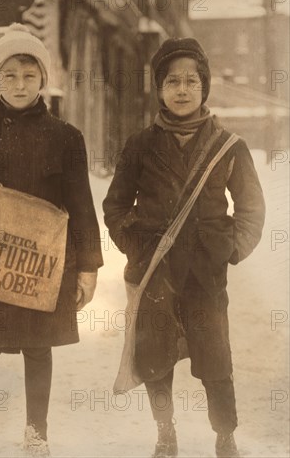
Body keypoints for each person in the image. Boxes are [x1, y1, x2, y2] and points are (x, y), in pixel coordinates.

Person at [0, 23, 103, 457]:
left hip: (42, 265)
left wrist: (87, 267)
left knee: (38, 349)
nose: (19, 84)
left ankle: (36, 433)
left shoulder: (66, 138)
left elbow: (81, 205)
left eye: (29, 75)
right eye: (9, 75)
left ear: (43, 80)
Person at [103, 38, 265, 458]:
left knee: (216, 360)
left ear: (204, 87)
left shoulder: (228, 146)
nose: (181, 89)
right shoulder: (139, 145)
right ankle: (165, 433)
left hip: (205, 273)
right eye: (172, 81)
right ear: (159, 89)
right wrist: (135, 245)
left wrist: (231, 248)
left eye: (191, 80)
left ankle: (225, 435)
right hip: (154, 270)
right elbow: (116, 205)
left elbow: (251, 207)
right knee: (155, 358)